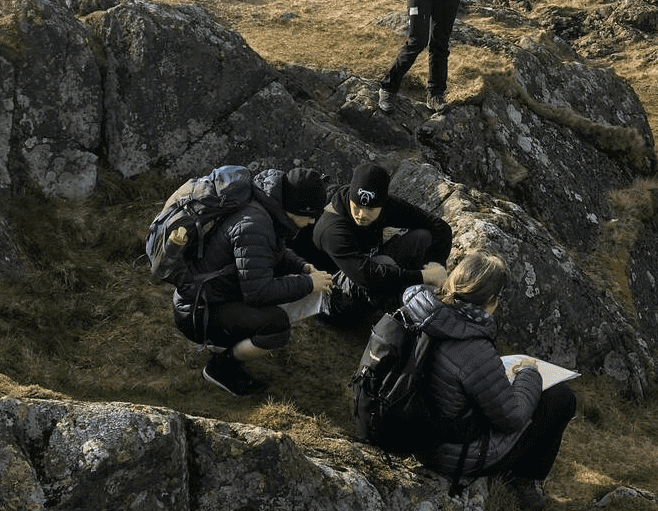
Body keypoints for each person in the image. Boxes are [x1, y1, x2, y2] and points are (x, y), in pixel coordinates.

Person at [400, 251, 576, 509]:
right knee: (561, 398)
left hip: (412, 434)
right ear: (491, 301)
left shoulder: (418, 310)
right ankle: (523, 483)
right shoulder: (472, 347)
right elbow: (512, 418)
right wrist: (529, 373)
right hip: (452, 454)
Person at [172, 167, 334, 397]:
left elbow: (271, 252)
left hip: (205, 296)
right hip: (197, 313)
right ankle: (221, 367)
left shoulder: (264, 208)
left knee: (277, 302)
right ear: (296, 208)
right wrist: (308, 283)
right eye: (311, 215)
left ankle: (229, 342)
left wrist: (302, 267)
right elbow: (258, 292)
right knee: (276, 327)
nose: (312, 221)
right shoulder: (255, 225)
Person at [313, 161, 452, 324]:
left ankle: (426, 297)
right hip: (330, 299)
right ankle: (410, 316)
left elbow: (440, 227)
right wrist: (423, 277)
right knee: (383, 263)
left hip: (369, 268)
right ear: (350, 196)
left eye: (370, 209)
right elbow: (366, 276)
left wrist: (435, 267)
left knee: (422, 238)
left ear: (383, 203)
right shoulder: (331, 228)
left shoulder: (386, 205)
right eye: (357, 206)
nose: (361, 214)